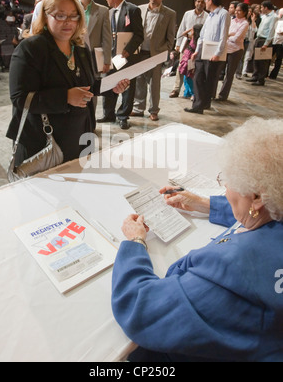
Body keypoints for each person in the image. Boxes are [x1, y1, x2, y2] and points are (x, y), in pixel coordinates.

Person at [112, 116, 283, 362]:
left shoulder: (232, 268)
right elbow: (265, 211)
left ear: (256, 196)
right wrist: (205, 204)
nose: (225, 189)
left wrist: (135, 244)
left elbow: (141, 310)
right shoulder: (273, 207)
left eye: (229, 181)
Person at [6, 0, 129, 167]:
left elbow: (88, 85)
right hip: (43, 143)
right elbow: (20, 98)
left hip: (79, 136)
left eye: (74, 15)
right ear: (46, 16)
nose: (68, 22)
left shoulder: (80, 48)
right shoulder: (30, 49)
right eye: (60, 15)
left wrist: (112, 86)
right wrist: (65, 97)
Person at [97, 0, 144, 130]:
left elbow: (139, 35)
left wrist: (128, 50)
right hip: (112, 57)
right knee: (110, 83)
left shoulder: (132, 10)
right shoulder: (109, 13)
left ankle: (123, 116)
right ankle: (108, 114)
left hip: (128, 57)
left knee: (127, 87)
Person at [130, 0, 176, 121]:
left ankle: (154, 110)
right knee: (139, 82)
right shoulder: (140, 9)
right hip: (139, 52)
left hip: (155, 54)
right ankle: (138, 108)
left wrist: (163, 52)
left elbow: (170, 38)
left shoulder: (169, 14)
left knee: (155, 85)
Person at [184, 0, 231, 114]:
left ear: (211, 0)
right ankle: (198, 105)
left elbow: (223, 35)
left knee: (209, 80)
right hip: (203, 51)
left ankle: (203, 104)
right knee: (198, 77)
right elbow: (202, 35)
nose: (205, 2)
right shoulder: (209, 15)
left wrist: (218, 53)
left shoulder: (223, 14)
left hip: (213, 53)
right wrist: (197, 51)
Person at [170, 0, 208, 98]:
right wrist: (177, 45)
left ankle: (193, 92)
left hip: (198, 47)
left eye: (202, 2)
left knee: (195, 69)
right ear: (195, 2)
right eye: (198, 1)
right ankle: (176, 89)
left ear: (205, 3)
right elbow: (182, 28)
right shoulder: (188, 14)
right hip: (186, 44)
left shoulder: (207, 17)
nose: (200, 4)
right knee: (181, 67)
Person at [78, 0, 112, 76]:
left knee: (92, 89)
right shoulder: (71, 8)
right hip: (73, 55)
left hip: (92, 58)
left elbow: (107, 38)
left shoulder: (103, 11)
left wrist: (107, 60)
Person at [216, 3, 249, 101]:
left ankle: (223, 96)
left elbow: (236, 38)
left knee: (229, 74)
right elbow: (224, 33)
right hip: (226, 48)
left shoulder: (245, 23)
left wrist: (228, 35)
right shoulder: (232, 20)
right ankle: (212, 94)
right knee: (217, 71)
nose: (237, 12)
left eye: (239, 10)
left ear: (244, 12)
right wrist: (229, 34)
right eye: (236, 10)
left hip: (236, 50)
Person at [246, 0, 278, 86]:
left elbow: (271, 31)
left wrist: (266, 44)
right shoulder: (264, 16)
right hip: (259, 38)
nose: (261, 9)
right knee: (256, 60)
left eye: (262, 7)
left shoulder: (273, 17)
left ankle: (261, 79)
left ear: (266, 8)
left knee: (262, 62)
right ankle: (255, 76)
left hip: (264, 40)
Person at [178, 23, 203, 99]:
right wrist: (190, 29)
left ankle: (193, 93)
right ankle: (187, 93)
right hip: (187, 57)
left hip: (191, 58)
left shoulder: (199, 40)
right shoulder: (193, 37)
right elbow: (183, 34)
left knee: (189, 76)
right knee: (185, 75)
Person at [269, 7, 283, 79]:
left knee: (278, 60)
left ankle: (273, 75)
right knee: (268, 58)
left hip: (280, 43)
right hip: (273, 41)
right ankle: (264, 73)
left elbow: (280, 31)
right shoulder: (276, 20)